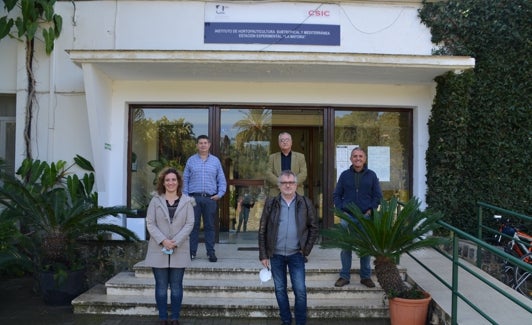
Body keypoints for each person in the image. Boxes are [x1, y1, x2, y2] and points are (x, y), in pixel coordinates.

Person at [258, 170, 319, 325]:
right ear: (279, 185)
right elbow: (262, 229)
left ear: (296, 185)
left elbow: (314, 227)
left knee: (300, 291)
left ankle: (300, 322)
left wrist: (306, 250)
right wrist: (263, 255)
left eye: (291, 182)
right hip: (276, 254)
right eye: (284, 183)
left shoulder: (305, 203)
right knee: (280, 290)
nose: (288, 185)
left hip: (296, 254)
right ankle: (286, 320)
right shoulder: (271, 203)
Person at [144, 168, 195, 325]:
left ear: (178, 182)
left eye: (173, 179)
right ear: (163, 182)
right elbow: (150, 223)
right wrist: (163, 241)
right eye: (167, 180)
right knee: (160, 286)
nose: (171, 182)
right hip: (158, 248)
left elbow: (190, 223)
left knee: (176, 286)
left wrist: (175, 241)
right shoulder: (155, 200)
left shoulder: (187, 201)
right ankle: (162, 318)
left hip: (179, 249)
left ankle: (175, 318)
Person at [333, 147, 382, 288]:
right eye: (355, 156)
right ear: (351, 158)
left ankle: (365, 277)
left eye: (360, 156)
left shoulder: (372, 175)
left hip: (365, 217)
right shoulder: (344, 175)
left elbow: (377, 196)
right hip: (347, 217)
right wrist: (342, 210)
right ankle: (344, 276)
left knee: (365, 248)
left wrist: (370, 211)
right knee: (345, 247)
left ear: (365, 159)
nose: (358, 158)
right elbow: (336, 195)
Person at [183, 135, 227, 262]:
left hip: (210, 199)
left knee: (210, 227)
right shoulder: (191, 160)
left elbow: (221, 179)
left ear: (209, 145)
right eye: (200, 143)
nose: (203, 145)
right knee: (193, 226)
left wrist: (220, 193)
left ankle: (210, 253)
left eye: (205, 143)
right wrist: (186, 196)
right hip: (193, 198)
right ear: (197, 145)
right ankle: (191, 252)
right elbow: (185, 179)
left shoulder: (215, 161)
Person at [265, 132, 307, 196]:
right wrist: (280, 183)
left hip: (296, 191)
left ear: (291, 142)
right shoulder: (272, 157)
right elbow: (268, 173)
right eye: (282, 140)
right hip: (277, 192)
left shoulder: (300, 156)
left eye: (287, 140)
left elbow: (304, 173)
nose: (285, 142)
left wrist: (292, 184)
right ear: (279, 143)